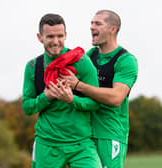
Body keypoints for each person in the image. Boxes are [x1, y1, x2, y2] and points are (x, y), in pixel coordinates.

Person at [59, 10, 138, 168]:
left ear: (113, 29)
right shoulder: (90, 56)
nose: (91, 27)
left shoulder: (126, 60)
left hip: (109, 134)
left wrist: (78, 85)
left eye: (97, 24)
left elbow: (116, 98)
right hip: (84, 133)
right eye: (91, 23)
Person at [22, 13, 102, 168]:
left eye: (60, 36)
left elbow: (96, 103)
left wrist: (72, 100)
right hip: (47, 143)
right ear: (40, 37)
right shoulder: (33, 67)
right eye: (50, 36)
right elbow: (27, 107)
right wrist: (46, 96)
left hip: (81, 144)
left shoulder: (82, 61)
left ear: (65, 35)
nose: (56, 41)